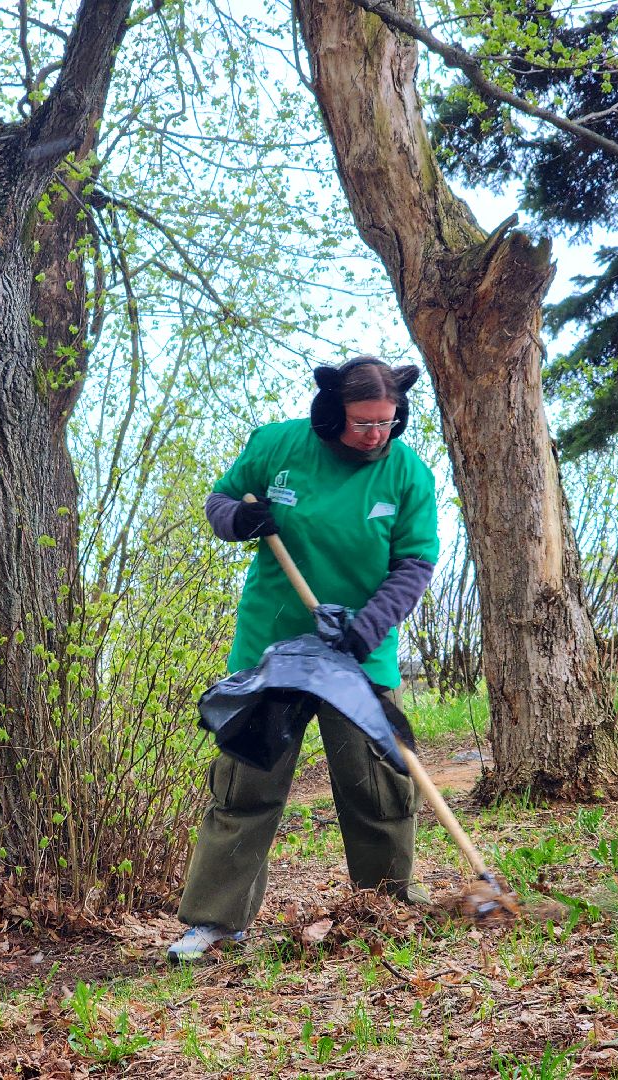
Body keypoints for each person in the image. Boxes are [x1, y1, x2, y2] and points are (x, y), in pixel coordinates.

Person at [168, 356, 439, 963]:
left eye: (388, 423)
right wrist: (238, 518)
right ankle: (216, 922)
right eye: (363, 422)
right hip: (275, 649)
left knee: (377, 785)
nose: (376, 435)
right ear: (329, 413)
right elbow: (219, 501)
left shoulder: (407, 474)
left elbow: (415, 565)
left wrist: (364, 629)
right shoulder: (278, 445)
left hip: (359, 655)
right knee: (248, 784)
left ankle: (387, 907)